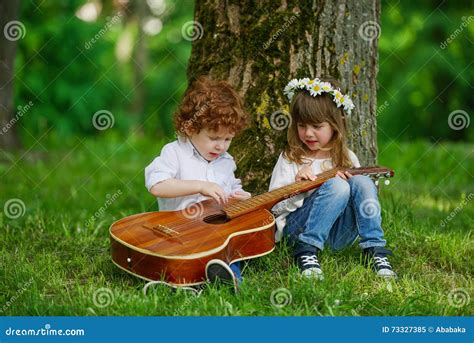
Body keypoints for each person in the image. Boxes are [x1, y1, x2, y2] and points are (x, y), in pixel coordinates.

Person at [269, 76, 396, 280]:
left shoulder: (347, 158)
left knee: (362, 182)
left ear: (336, 125)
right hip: (298, 232)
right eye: (302, 126)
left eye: (317, 127)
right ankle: (306, 251)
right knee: (337, 185)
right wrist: (297, 187)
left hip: (337, 236)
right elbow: (273, 209)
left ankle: (375, 250)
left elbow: (361, 201)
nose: (308, 133)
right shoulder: (291, 158)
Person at [145, 76, 251, 291]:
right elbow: (157, 186)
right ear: (191, 129)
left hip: (214, 232)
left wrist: (239, 196)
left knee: (229, 248)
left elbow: (230, 189)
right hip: (179, 232)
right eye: (214, 137)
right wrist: (200, 186)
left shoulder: (225, 161)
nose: (221, 146)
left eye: (227, 139)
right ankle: (180, 283)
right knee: (179, 259)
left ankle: (223, 280)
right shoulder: (174, 152)